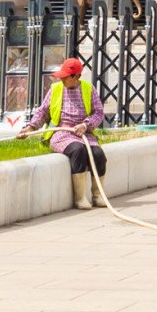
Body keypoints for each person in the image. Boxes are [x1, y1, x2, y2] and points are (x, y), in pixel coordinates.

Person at [43, 55, 108, 207]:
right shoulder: (55, 89)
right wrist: (30, 127)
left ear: (75, 76)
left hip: (84, 133)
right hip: (62, 134)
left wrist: (86, 125)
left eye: (65, 77)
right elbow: (42, 112)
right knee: (78, 150)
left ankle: (98, 196)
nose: (62, 80)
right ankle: (80, 198)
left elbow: (98, 113)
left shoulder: (88, 89)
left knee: (98, 155)